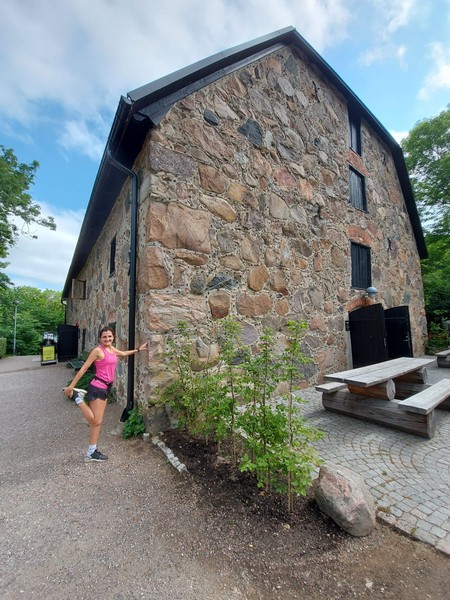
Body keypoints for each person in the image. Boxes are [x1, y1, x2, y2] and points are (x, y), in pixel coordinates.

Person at [64, 326, 148, 462]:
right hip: (97, 387)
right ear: (100, 338)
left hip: (105, 388)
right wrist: (71, 387)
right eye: (104, 337)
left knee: (97, 423)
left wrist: (139, 349)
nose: (107, 339)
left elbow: (123, 353)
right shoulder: (98, 351)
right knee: (95, 420)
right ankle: (78, 398)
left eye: (109, 336)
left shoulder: (111, 349)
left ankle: (91, 452)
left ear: (113, 337)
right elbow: (84, 368)